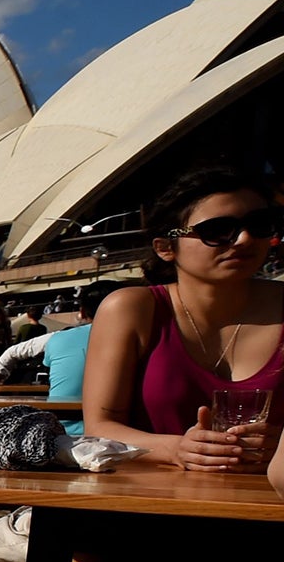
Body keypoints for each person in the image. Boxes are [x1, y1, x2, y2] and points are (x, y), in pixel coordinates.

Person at [83, 163, 283, 471]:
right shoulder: (131, 309)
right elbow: (99, 428)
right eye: (217, 231)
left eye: (259, 224)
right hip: (154, 505)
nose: (244, 239)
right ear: (165, 248)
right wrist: (176, 449)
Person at [0, 282, 125, 433]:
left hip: (60, 432)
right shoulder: (138, 339)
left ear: (82, 312)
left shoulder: (57, 338)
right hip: (123, 433)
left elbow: (11, 353)